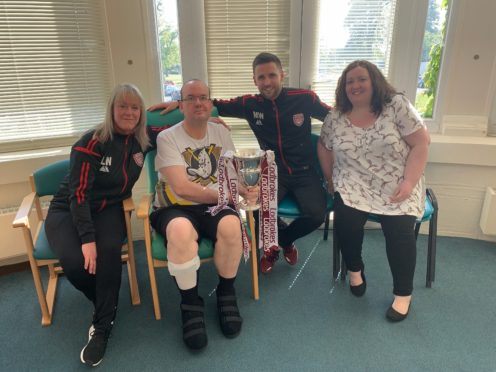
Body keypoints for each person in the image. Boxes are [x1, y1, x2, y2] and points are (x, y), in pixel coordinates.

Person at [149, 52, 331, 274]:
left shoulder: (304, 97)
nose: (267, 82)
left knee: (317, 214)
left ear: (282, 75)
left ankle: (283, 241)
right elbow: (208, 104)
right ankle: (270, 247)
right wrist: (179, 103)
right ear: (255, 80)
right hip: (273, 172)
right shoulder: (249, 104)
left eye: (272, 75)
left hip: (304, 171)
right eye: (261, 77)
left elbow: (334, 118)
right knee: (254, 208)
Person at [45, 83, 166, 366]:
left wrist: (198, 114)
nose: (129, 112)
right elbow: (78, 195)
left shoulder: (144, 137)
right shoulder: (92, 141)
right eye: (122, 106)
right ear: (111, 109)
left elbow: (181, 127)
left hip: (110, 209)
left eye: (135, 107)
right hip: (68, 208)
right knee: (76, 263)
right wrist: (87, 239)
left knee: (109, 251)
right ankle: (106, 300)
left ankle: (101, 327)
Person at [317, 60, 430, 322]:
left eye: (361, 79)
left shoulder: (396, 106)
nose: (355, 85)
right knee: (345, 221)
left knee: (400, 232)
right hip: (353, 182)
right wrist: (330, 178)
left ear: (374, 81)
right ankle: (355, 270)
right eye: (349, 82)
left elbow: (421, 143)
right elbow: (324, 146)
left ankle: (403, 295)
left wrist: (409, 183)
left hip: (397, 183)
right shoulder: (335, 117)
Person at [149, 79, 258, 350]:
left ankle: (226, 292)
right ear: (181, 105)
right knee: (180, 232)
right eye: (191, 98)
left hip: (216, 203)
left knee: (233, 227)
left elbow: (232, 174)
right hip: (175, 205)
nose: (198, 103)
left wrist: (247, 190)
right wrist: (230, 196)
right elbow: (183, 188)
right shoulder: (167, 137)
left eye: (203, 98)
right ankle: (190, 303)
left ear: (210, 103)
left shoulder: (220, 132)